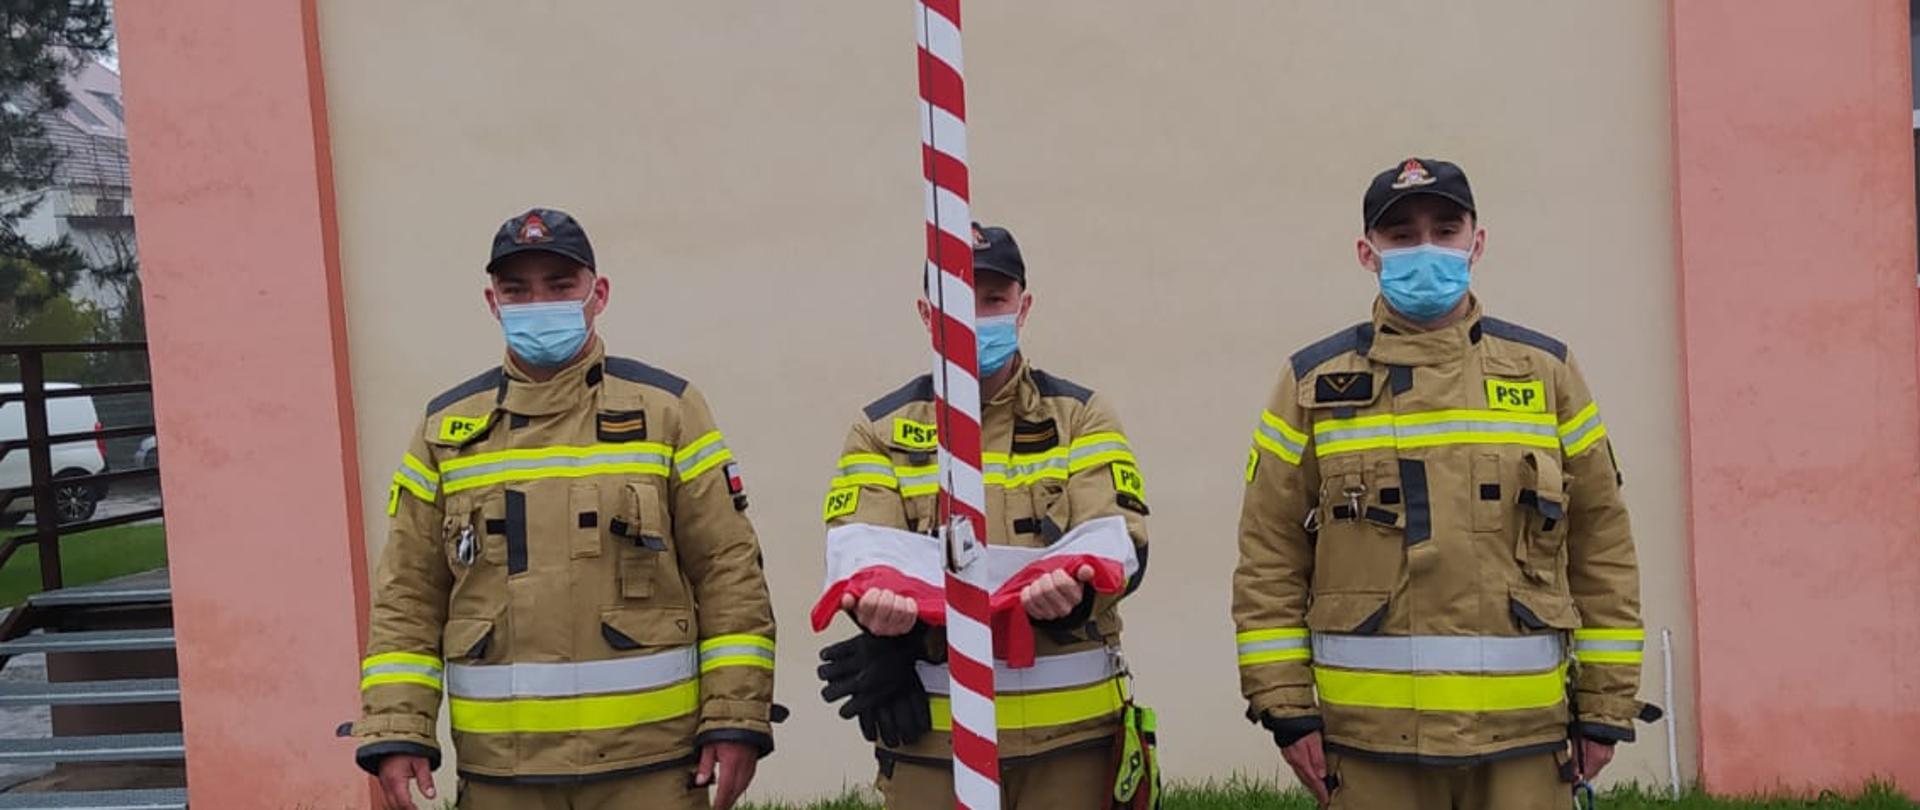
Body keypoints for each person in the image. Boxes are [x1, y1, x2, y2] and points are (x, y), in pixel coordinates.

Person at [1231, 159, 1655, 809]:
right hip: (1370, 746)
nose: (1424, 248)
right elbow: (1269, 555)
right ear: (1367, 253)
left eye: (1444, 229)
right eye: (1401, 235)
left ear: (1476, 242)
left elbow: (1601, 544)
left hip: (1525, 742)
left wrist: (1605, 703)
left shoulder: (1548, 375)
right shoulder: (1312, 383)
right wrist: (1285, 705)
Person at [349, 208, 778, 810]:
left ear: (597, 294)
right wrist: (397, 727)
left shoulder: (668, 412)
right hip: (502, 774)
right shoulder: (444, 429)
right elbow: (408, 594)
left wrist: (736, 717)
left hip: (650, 768)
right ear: (492, 302)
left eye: (559, 285)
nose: (537, 302)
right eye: (516, 289)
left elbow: (728, 571)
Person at [817, 224, 1152, 809]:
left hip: (1070, 746)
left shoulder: (1082, 417)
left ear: (1023, 306)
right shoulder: (880, 430)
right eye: (955, 298)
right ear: (926, 313)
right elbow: (863, 558)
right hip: (934, 744)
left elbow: (1122, 543)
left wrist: (1076, 594)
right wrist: (881, 623)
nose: (976, 317)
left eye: (994, 299)